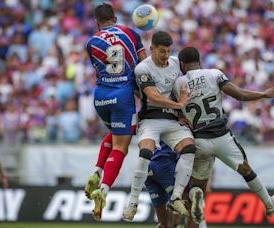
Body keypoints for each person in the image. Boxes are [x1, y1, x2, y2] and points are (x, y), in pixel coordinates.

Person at [173, 47, 274, 226]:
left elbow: (173, 109)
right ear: (199, 61)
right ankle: (269, 204)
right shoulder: (214, 74)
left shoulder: (178, 84)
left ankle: (196, 195)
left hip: (198, 140)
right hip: (222, 138)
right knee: (246, 170)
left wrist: (181, 118)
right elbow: (239, 95)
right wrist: (263, 94)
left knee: (197, 186)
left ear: (183, 65)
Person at [83, 2, 146, 221]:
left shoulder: (91, 43)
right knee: (121, 146)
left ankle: (97, 171)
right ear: (115, 18)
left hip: (100, 98)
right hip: (123, 97)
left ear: (97, 22)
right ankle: (104, 189)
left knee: (116, 135)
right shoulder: (130, 33)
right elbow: (144, 65)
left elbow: (100, 69)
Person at [123, 31, 195, 220]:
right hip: (150, 119)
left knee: (189, 148)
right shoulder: (142, 68)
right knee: (145, 154)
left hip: (171, 119)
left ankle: (177, 196)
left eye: (168, 51)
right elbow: (153, 96)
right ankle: (133, 202)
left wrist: (180, 112)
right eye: (162, 51)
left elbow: (177, 89)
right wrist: (178, 105)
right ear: (152, 49)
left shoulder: (174, 63)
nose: (165, 55)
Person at [145, 142, 180, 228]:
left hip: (146, 167)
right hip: (164, 163)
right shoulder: (179, 129)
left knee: (164, 224)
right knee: (187, 205)